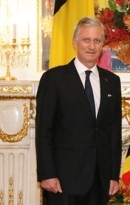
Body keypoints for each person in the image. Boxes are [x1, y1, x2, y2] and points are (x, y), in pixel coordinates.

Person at [35, 16, 122, 205]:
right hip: (64, 180)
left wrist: (113, 175)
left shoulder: (112, 82)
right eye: (86, 40)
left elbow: (114, 132)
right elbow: (44, 131)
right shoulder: (54, 79)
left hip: (100, 180)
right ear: (75, 42)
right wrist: (47, 173)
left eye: (97, 40)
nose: (91, 46)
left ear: (103, 44)